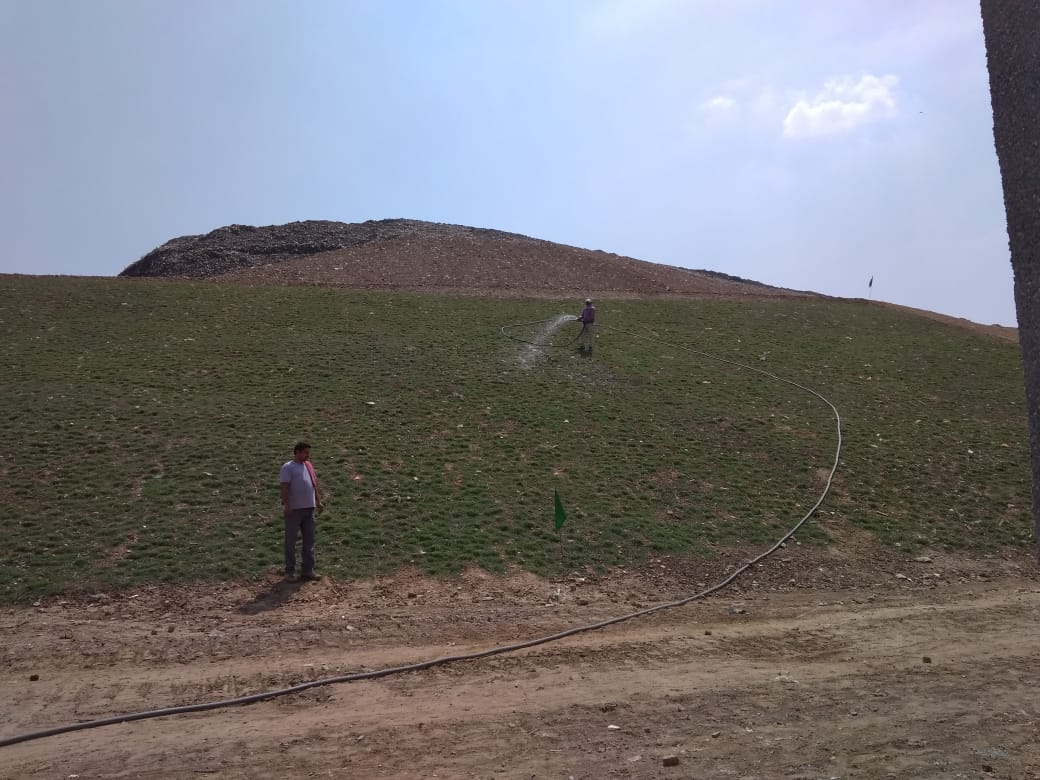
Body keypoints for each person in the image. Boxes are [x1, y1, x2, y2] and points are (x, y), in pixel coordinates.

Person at [279, 441, 324, 582]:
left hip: (309, 509)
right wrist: (287, 505)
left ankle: (308, 570)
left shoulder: (308, 465)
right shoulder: (288, 467)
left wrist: (318, 501)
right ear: (297, 452)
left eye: (308, 452)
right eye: (305, 452)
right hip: (294, 510)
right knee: (291, 541)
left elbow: (313, 485)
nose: (307, 455)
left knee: (309, 541)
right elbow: (284, 487)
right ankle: (289, 571)